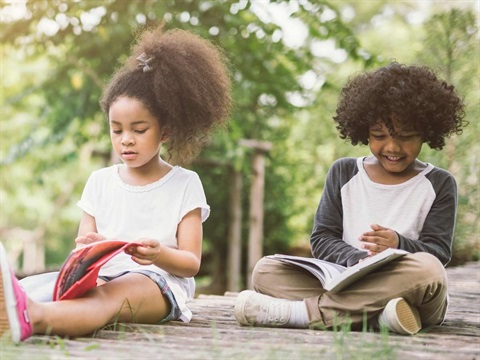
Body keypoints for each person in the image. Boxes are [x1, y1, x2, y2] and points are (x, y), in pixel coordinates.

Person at [0, 24, 231, 343]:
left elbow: (191, 264)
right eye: (117, 130)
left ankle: (32, 319)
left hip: (158, 283)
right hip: (102, 277)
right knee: (40, 285)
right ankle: (22, 305)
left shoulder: (185, 183)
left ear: (164, 132)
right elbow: (82, 246)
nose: (126, 141)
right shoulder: (99, 181)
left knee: (107, 298)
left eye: (139, 130)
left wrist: (158, 254)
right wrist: (90, 246)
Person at [234, 62, 467, 335]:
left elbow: (438, 253)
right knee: (265, 270)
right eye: (379, 136)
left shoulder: (439, 183)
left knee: (429, 270)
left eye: (405, 137)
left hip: (410, 286)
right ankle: (380, 317)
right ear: (363, 131)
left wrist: (398, 244)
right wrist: (358, 260)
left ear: (426, 134)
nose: (392, 147)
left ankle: (302, 313)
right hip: (347, 279)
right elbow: (322, 239)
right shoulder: (344, 172)